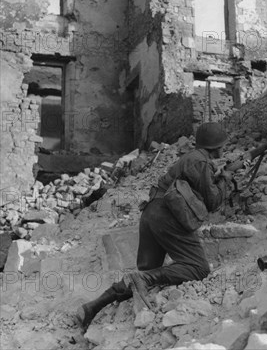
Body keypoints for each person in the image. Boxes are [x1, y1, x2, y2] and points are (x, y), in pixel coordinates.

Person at [76, 122, 234, 329]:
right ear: (217, 146)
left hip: (151, 212)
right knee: (199, 268)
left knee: (145, 273)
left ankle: (92, 307)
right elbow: (213, 202)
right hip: (169, 216)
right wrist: (227, 180)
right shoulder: (201, 162)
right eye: (222, 145)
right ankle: (144, 278)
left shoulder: (191, 159)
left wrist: (219, 175)